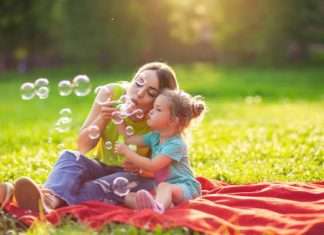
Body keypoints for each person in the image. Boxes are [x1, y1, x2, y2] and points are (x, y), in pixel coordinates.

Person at [0, 62, 179, 212]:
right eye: (138, 83)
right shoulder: (111, 93)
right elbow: (83, 146)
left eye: (151, 93)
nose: (139, 93)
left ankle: (46, 200)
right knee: (70, 157)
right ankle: (45, 200)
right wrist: (103, 117)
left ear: (160, 101)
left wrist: (141, 168)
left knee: (98, 186)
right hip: (100, 165)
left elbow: (166, 172)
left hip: (135, 178)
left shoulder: (162, 118)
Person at [115, 89, 206, 213]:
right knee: (127, 196)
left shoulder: (176, 144)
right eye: (153, 107)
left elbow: (152, 166)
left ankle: (157, 209)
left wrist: (127, 152)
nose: (151, 111)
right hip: (165, 190)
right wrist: (119, 119)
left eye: (158, 109)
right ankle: (161, 205)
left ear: (173, 120)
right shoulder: (154, 136)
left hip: (187, 189)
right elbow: (129, 138)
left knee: (164, 187)